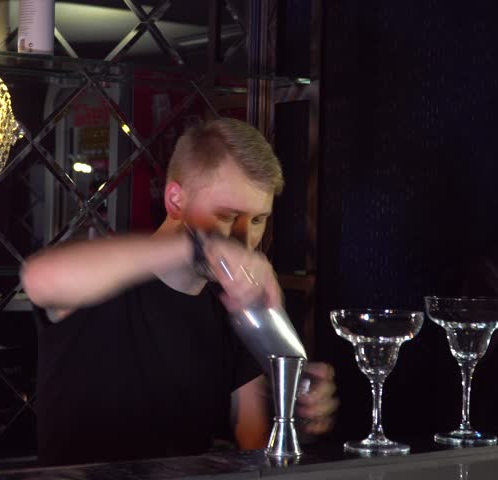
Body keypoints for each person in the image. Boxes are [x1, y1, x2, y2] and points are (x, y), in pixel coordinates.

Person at [22, 118, 338, 466]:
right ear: (175, 200)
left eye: (258, 220)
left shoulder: (232, 308)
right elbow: (39, 277)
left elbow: (253, 440)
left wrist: (297, 417)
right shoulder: (108, 274)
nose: (244, 240)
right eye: (227, 216)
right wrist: (199, 248)